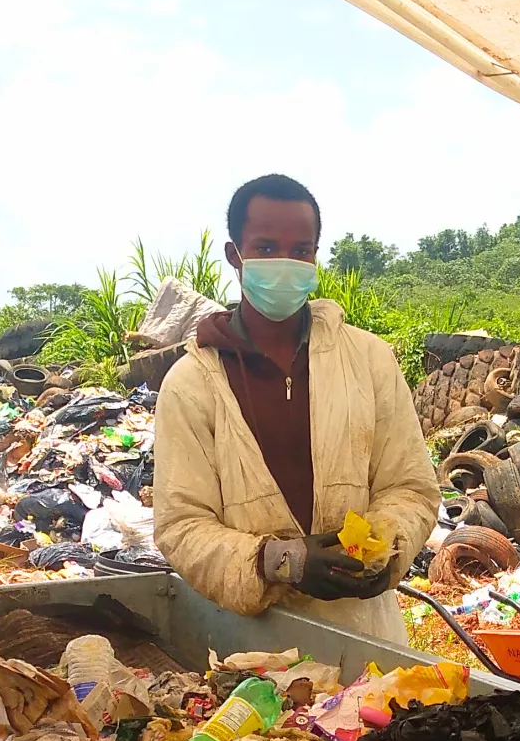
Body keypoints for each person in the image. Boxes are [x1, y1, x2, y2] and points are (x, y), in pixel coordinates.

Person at [151, 173, 438, 642]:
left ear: (315, 256)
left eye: (301, 250)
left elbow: (410, 487)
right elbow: (182, 526)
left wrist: (386, 547)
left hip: (366, 632)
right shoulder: (191, 384)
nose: (285, 263)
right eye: (265, 248)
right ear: (234, 256)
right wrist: (282, 562)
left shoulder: (369, 361)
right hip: (251, 644)